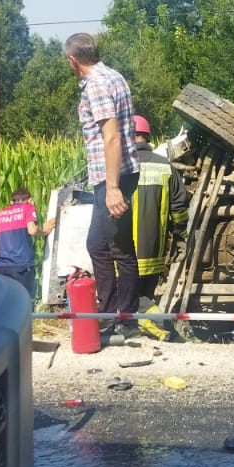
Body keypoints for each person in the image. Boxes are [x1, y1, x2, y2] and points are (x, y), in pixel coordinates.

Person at [65, 32, 141, 340]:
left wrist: (112, 189)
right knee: (96, 245)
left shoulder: (95, 84)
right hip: (111, 176)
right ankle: (108, 317)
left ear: (73, 60)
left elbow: (112, 136)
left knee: (120, 249)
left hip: (113, 177)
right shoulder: (113, 76)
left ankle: (127, 322)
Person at [131, 115, 190, 295]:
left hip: (124, 257)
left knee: (130, 301)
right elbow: (179, 207)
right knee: (146, 296)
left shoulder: (120, 166)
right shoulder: (165, 166)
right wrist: (182, 235)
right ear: (147, 137)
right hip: (154, 255)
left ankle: (143, 321)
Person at [0, 188, 55, 299]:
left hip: (2, 266)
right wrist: (45, 231)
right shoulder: (28, 208)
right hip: (21, 264)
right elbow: (32, 230)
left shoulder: (0, 214)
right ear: (30, 200)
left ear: (11, 202)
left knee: (7, 300)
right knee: (24, 301)